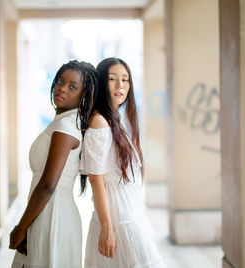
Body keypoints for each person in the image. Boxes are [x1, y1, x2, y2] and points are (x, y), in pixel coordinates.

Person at [9, 60, 98, 268]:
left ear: (83, 95)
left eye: (72, 86)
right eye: (60, 81)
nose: (62, 88)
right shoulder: (64, 121)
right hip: (45, 212)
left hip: (53, 216)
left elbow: (48, 184)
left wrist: (21, 226)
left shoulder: (67, 126)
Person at [80, 58, 165, 268]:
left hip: (130, 214)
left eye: (125, 80)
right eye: (112, 79)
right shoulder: (100, 122)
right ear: (101, 83)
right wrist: (107, 228)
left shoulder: (116, 120)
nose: (120, 85)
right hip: (117, 220)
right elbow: (95, 179)